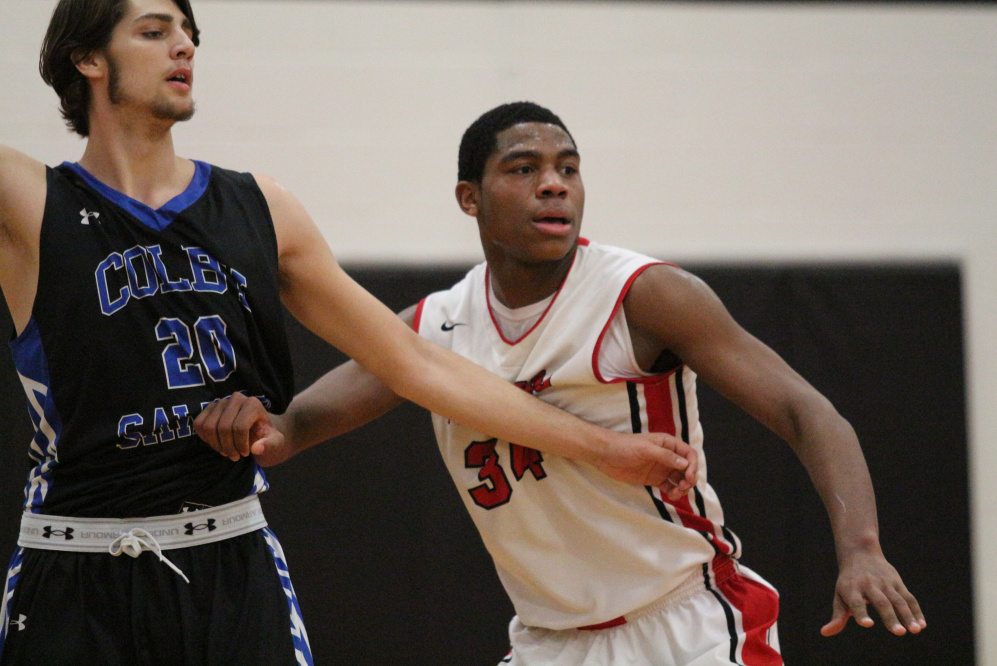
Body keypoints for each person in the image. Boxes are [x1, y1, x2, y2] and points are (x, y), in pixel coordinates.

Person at [0, 3, 699, 663]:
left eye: (188, 33)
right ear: (87, 57)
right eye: (154, 32)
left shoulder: (260, 206)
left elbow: (416, 365)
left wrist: (607, 448)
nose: (184, 45)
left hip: (227, 556)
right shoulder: (31, 201)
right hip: (75, 562)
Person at [197, 101, 927, 665]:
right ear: (469, 197)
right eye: (522, 168)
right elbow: (295, 429)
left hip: (684, 623)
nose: (553, 183)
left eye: (568, 168)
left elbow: (808, 412)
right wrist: (257, 426)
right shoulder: (436, 327)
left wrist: (860, 547)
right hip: (550, 639)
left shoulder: (644, 294)